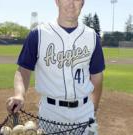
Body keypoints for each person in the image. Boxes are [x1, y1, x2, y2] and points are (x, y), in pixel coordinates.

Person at [6, 0, 105, 134]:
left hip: (84, 113)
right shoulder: (38, 34)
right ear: (57, 1)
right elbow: (23, 70)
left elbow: (97, 77)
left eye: (77, 0)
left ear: (82, 3)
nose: (71, 3)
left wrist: (93, 110)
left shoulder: (92, 37)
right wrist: (19, 94)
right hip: (50, 113)